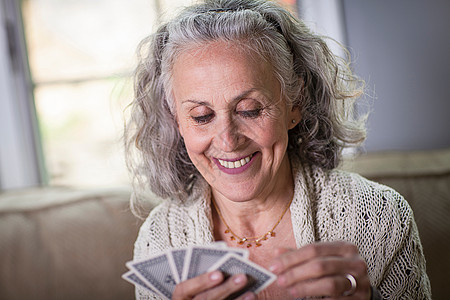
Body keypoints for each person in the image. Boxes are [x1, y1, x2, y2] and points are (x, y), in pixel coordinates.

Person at [124, 0, 431, 299]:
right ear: (176, 120)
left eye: (250, 110)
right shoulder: (160, 239)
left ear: (294, 104)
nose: (228, 141)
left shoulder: (379, 216)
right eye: (201, 116)